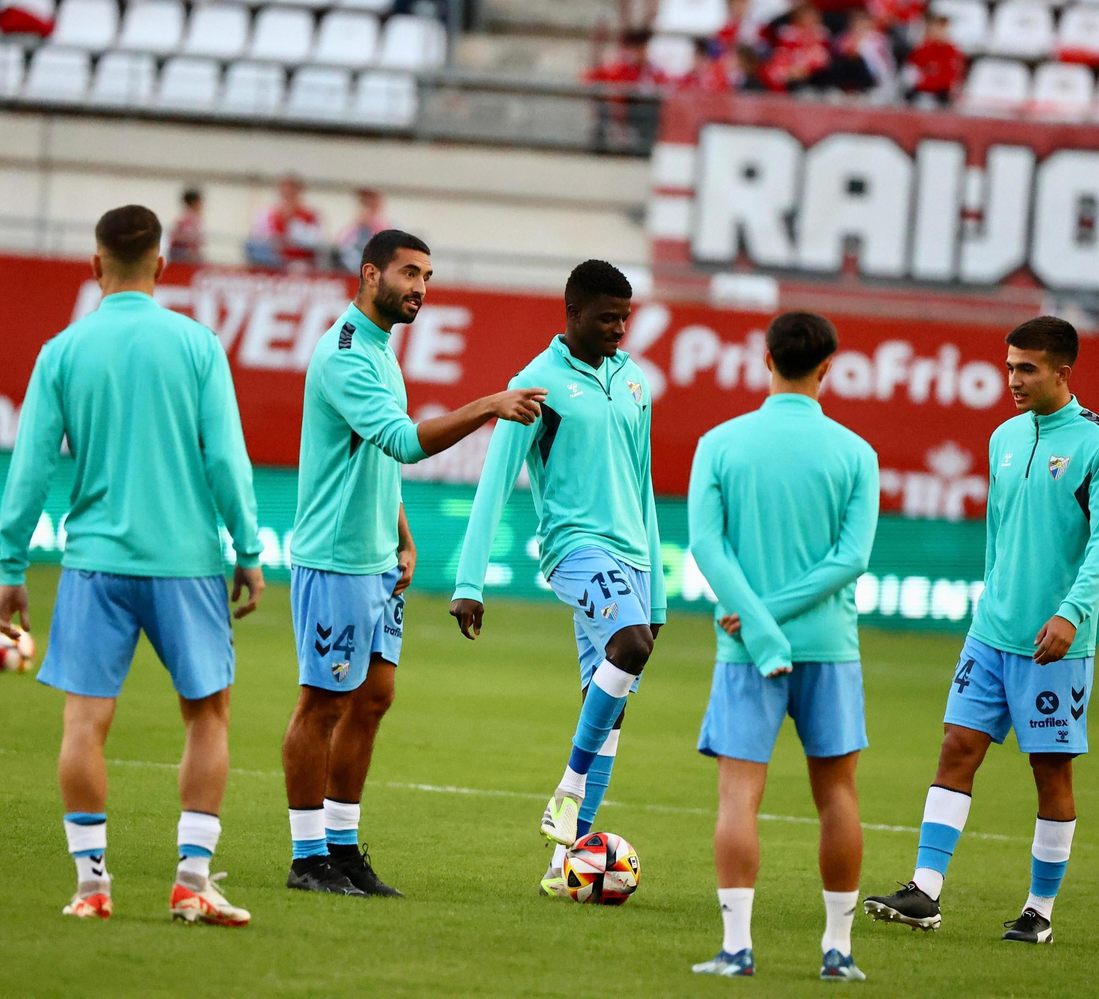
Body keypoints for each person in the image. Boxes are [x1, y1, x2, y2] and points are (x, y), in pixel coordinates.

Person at [0, 205, 264, 927]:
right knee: (207, 715)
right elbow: (226, 461)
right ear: (162, 267)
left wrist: (11, 564)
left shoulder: (63, 350)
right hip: (186, 563)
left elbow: (30, 470)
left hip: (95, 564)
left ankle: (91, 885)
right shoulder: (197, 344)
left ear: (95, 264)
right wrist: (249, 549)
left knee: (84, 720)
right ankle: (192, 880)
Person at [284, 229, 547, 897]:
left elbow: (376, 457)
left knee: (373, 699)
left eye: (426, 275)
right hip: (336, 558)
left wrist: (402, 535)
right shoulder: (345, 353)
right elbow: (401, 441)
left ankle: (343, 850)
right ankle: (307, 857)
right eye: (407, 272)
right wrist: (489, 403)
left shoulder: (381, 353)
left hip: (377, 556)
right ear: (369, 274)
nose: (419, 288)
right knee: (323, 703)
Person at [863, 316, 1099, 945]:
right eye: (1009, 365)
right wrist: (990, 603)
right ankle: (924, 892)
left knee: (1050, 772)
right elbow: (999, 536)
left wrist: (1072, 613)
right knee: (957, 746)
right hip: (991, 634)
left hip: (1054, 642)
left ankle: (1039, 910)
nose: (1012, 379)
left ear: (1063, 372)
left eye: (1027, 368)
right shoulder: (1004, 437)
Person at [450, 259, 667, 897]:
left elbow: (643, 482)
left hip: (631, 557)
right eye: (607, 318)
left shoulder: (633, 383)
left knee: (610, 711)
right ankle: (566, 793)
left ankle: (565, 862)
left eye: (625, 317)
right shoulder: (536, 383)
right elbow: (496, 479)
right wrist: (470, 581)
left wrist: (651, 587)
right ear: (571, 315)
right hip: (575, 548)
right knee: (631, 648)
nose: (619, 329)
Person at [686, 312, 879, 982]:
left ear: (764, 357)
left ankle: (737, 947)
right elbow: (851, 558)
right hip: (830, 646)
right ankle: (838, 950)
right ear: (829, 366)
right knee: (838, 794)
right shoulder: (856, 452)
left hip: (744, 645)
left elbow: (707, 546)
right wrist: (778, 618)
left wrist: (758, 619)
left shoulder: (720, 442)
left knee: (739, 794)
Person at [246, 175, 323, 271]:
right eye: (285, 192)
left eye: (291, 192)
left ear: (298, 192)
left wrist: (292, 223)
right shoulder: (267, 214)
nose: (288, 195)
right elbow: (257, 235)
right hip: (272, 259)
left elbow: (314, 241)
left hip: (299, 262)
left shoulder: (309, 215)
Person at [903, 13, 964, 106]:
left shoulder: (952, 51)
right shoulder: (922, 48)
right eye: (935, 28)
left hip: (941, 91)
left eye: (941, 29)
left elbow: (951, 76)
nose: (937, 32)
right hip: (922, 88)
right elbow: (911, 69)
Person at [334, 188, 391, 275]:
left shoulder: (385, 226)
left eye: (370, 204)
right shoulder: (355, 226)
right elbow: (340, 242)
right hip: (353, 269)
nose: (366, 208)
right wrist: (357, 224)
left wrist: (372, 224)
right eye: (364, 203)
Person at [168, 187, 205, 265]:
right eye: (199, 202)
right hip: (184, 255)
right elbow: (188, 238)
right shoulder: (187, 218)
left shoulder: (194, 218)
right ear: (194, 203)